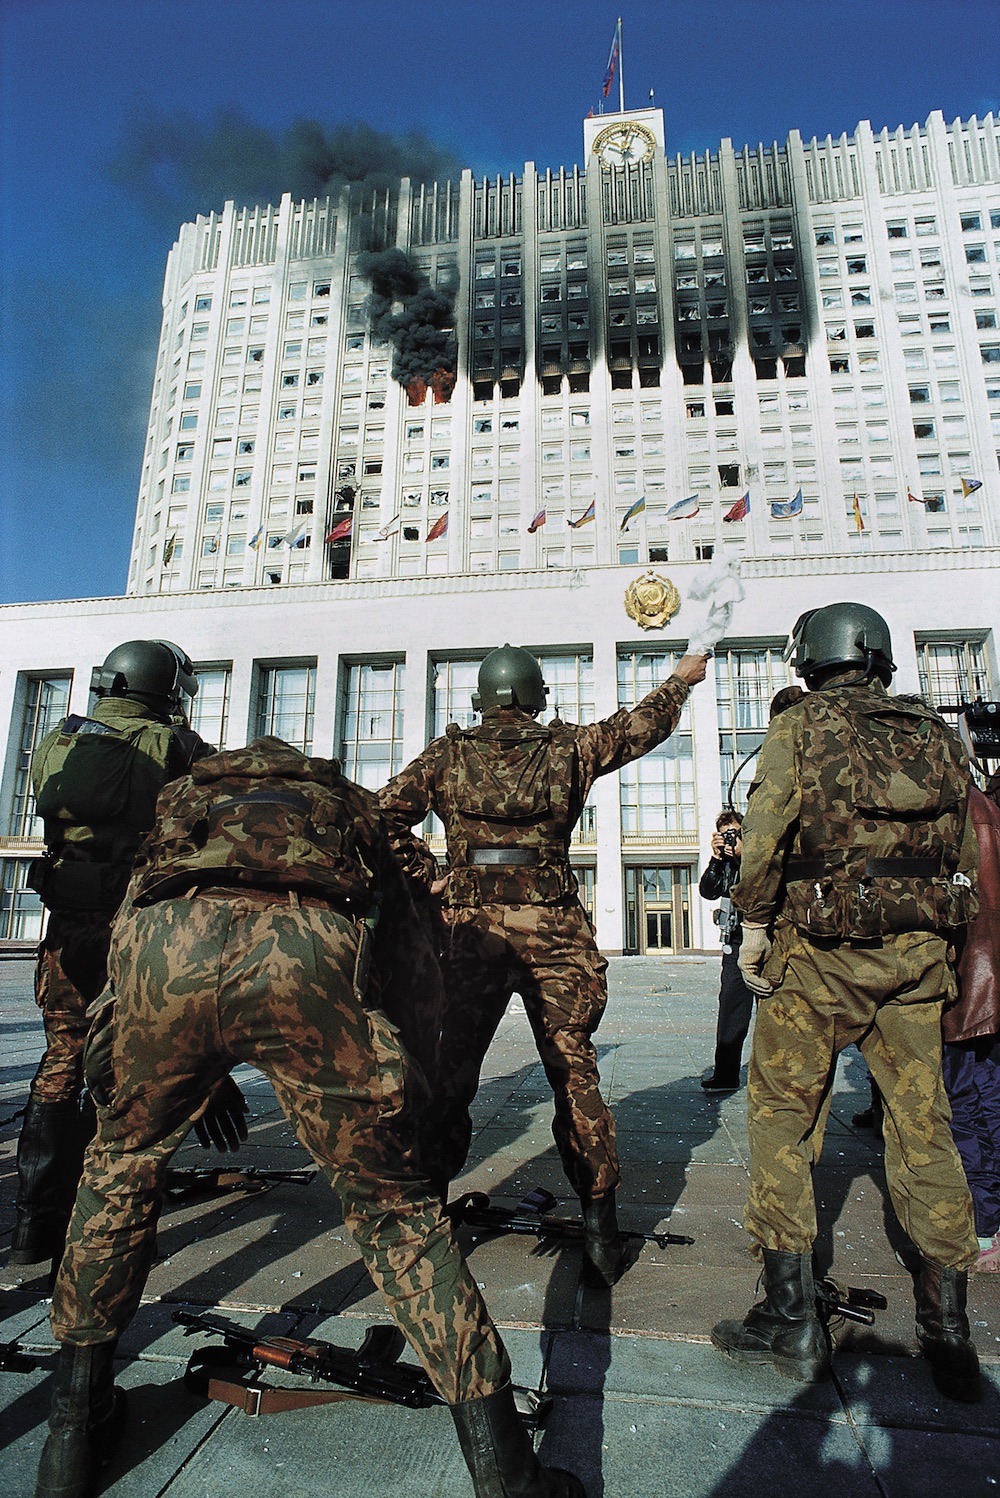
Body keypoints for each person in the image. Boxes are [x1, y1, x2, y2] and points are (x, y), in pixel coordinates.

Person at [33, 737, 585, 1498]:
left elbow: (130, 927)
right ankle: (508, 1475)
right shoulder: (346, 808)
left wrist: (135, 1077)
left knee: (119, 1171)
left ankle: (70, 1436)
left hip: (170, 954)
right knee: (397, 1214)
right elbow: (413, 959)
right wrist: (412, 1092)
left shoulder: (183, 803)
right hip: (307, 957)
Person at [710, 602, 982, 1403]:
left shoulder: (802, 724)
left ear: (810, 658)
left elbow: (765, 834)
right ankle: (951, 1336)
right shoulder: (937, 734)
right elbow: (964, 848)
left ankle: (790, 1321)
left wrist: (754, 925)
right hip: (916, 958)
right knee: (922, 1124)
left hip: (818, 960)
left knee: (783, 1123)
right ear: (880, 657)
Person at [378, 643, 708, 1285]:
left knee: (450, 1072)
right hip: (554, 928)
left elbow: (383, 816)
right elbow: (641, 727)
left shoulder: (448, 756)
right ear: (537, 699)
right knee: (572, 1070)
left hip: (470, 932)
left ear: (481, 699)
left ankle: (428, 1213)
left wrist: (431, 875)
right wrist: (680, 680)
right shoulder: (569, 749)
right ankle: (601, 1231)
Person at [10, 640, 219, 1271]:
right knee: (139, 1063)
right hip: (141, 927)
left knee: (62, 1058)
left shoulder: (58, 741)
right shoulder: (182, 749)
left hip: (68, 926)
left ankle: (31, 1224)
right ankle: (112, 1217)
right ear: (167, 687)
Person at [942, 779, 1000, 1271]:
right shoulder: (990, 808)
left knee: (966, 1101)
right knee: (988, 1094)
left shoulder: (956, 811)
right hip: (990, 973)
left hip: (967, 975)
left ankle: (983, 1227)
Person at [698, 810, 754, 1093]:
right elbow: (709, 891)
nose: (731, 839)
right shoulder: (725, 862)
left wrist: (746, 853)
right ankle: (726, 1074)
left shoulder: (757, 855)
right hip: (736, 940)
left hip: (767, 939)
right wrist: (717, 859)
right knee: (731, 1008)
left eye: (735, 832)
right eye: (725, 834)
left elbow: (759, 881)